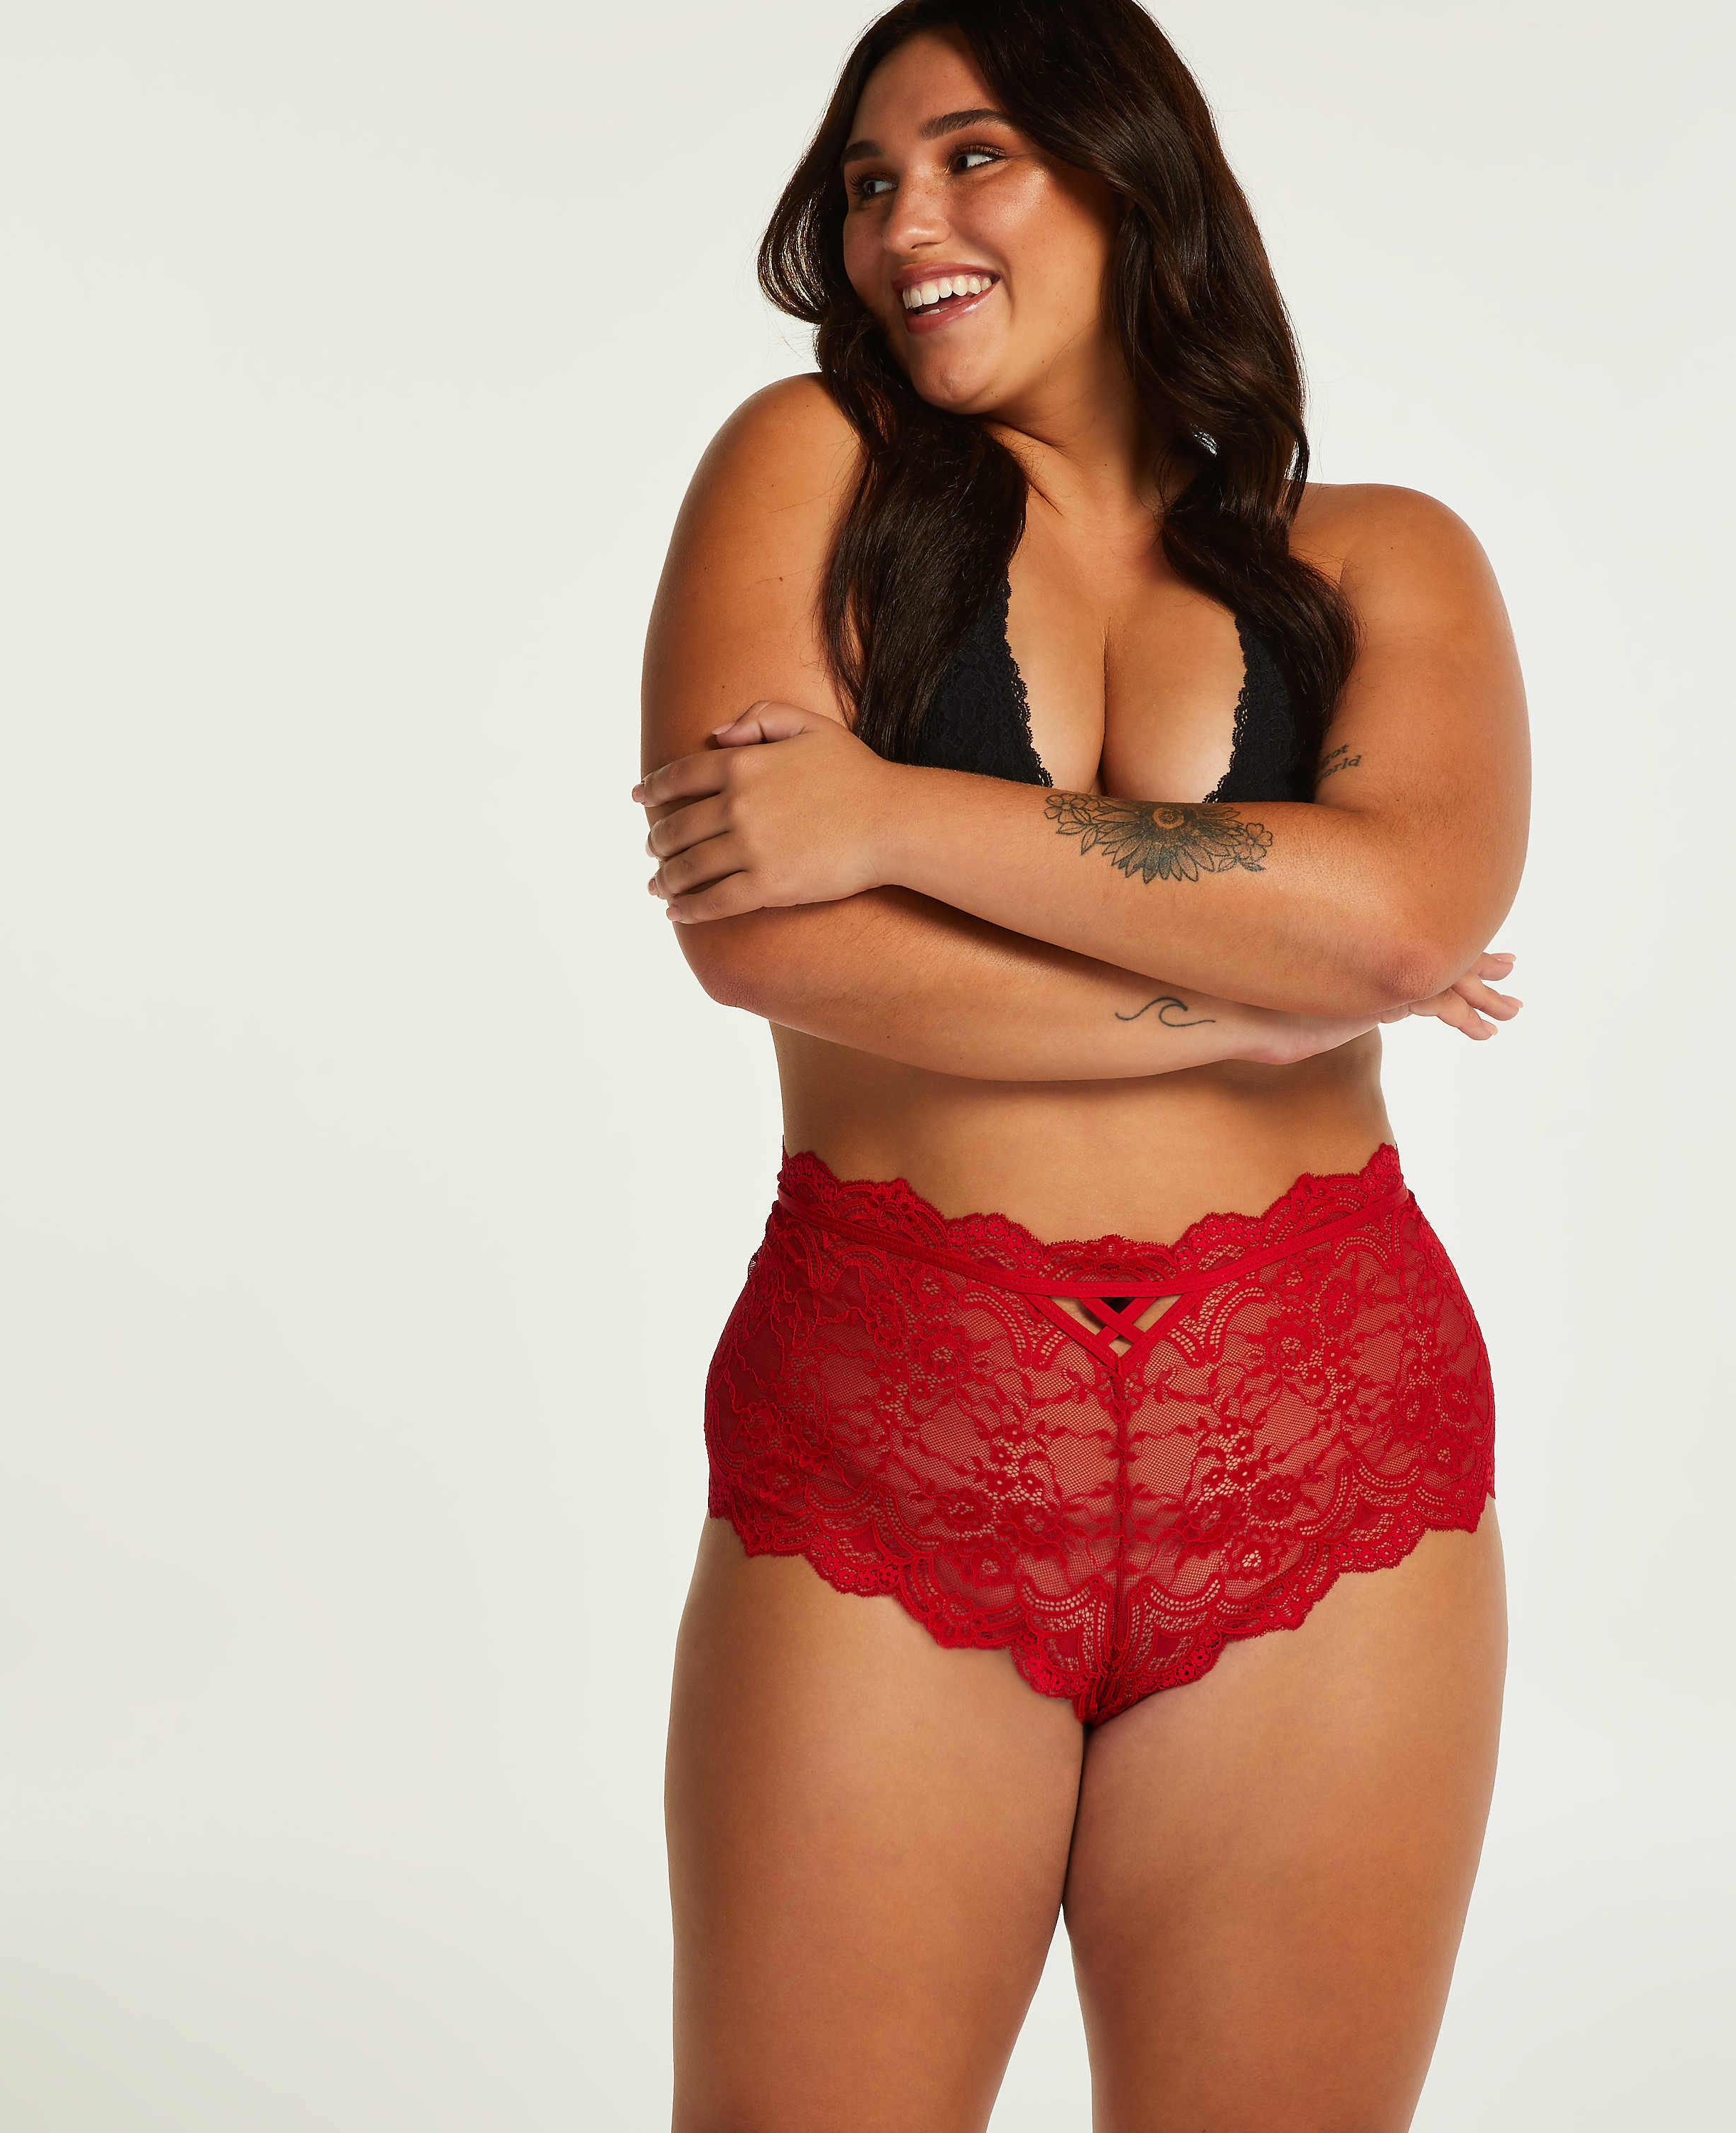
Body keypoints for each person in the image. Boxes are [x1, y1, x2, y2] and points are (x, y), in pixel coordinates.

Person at [635, 3, 1528, 2126]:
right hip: (898, 1412)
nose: (902, 226)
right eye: (869, 183)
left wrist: (894, 814)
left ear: (1131, 179)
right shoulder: (809, 465)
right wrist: (1267, 989)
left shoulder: (1382, 554)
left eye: (973, 157)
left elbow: (1402, 916)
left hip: (1324, 1431)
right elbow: (766, 931)